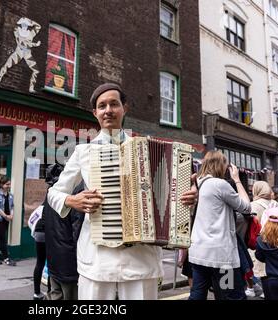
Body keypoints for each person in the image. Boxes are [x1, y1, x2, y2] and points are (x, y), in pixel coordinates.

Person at [47, 83, 198, 300]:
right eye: (102, 106)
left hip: (141, 259)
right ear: (95, 113)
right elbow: (54, 193)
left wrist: (188, 198)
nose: (108, 110)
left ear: (124, 108)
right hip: (97, 259)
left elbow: (174, 199)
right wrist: (72, 200)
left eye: (113, 104)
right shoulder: (83, 152)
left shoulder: (147, 149)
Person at [188, 151, 251, 300]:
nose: (225, 168)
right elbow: (247, 207)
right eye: (225, 164)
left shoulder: (199, 184)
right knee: (230, 295)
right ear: (219, 165)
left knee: (197, 294)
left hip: (198, 253)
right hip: (222, 259)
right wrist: (237, 179)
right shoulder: (219, 184)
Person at [44, 164, 84, 300]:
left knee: (55, 295)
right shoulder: (75, 195)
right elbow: (77, 231)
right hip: (69, 261)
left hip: (53, 257)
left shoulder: (50, 194)